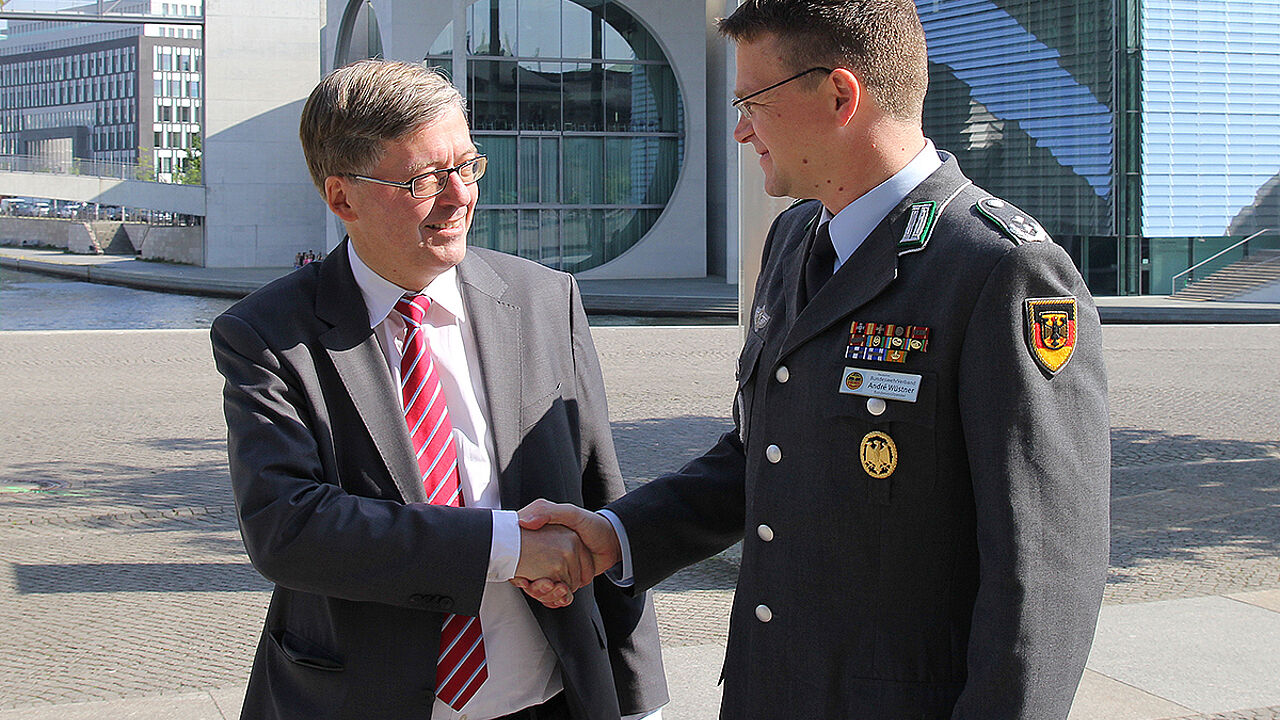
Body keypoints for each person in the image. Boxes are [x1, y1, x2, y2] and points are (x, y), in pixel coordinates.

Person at [515, 1, 1111, 718]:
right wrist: (620, 534)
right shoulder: (798, 237)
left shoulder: (998, 271)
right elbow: (765, 454)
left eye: (752, 102)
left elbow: (1044, 579)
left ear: (838, 95)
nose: (739, 128)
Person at [210, 59, 667, 720]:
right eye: (423, 179)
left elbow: (600, 502)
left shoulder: (546, 301)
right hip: (359, 702)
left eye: (467, 165)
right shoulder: (266, 334)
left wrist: (636, 698)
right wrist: (505, 547)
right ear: (342, 198)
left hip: (552, 701)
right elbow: (288, 528)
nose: (459, 196)